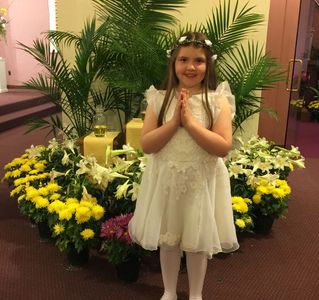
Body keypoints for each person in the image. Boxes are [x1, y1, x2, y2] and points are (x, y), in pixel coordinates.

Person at [128, 31, 239, 300]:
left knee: (197, 239)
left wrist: (189, 123)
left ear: (208, 64)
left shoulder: (217, 100)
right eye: (184, 59)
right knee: (168, 238)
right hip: (166, 178)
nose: (190, 67)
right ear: (173, 63)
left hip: (200, 180)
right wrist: (174, 122)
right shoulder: (159, 99)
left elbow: (222, 146)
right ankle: (168, 290)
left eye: (199, 60)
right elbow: (148, 144)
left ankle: (196, 294)